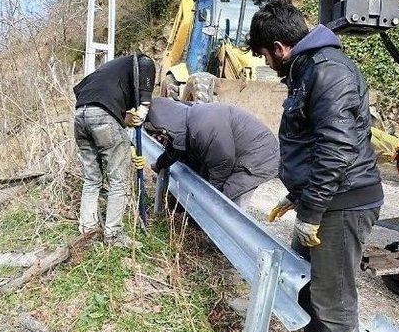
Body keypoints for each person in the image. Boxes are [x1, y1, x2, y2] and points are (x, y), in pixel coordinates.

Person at [248, 0, 383, 332]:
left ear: (279, 47)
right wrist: (299, 196)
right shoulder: (309, 69)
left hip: (343, 203)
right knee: (306, 286)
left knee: (334, 300)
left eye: (265, 56)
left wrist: (312, 210)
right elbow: (314, 143)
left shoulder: (328, 71)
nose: (269, 67)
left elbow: (337, 148)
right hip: (323, 198)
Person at [73, 54, 155, 244]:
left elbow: (100, 108)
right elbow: (147, 63)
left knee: (92, 179)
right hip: (103, 117)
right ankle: (113, 234)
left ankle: (88, 231)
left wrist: (128, 139)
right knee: (119, 181)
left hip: (80, 116)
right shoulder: (141, 61)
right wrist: (143, 109)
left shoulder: (106, 73)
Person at [145, 97, 279, 208]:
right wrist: (159, 165)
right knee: (209, 190)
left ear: (165, 126)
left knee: (227, 202)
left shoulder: (201, 129)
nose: (158, 138)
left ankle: (226, 237)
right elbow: (174, 150)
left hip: (259, 156)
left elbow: (222, 164)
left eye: (157, 133)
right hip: (234, 153)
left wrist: (209, 198)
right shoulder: (185, 122)